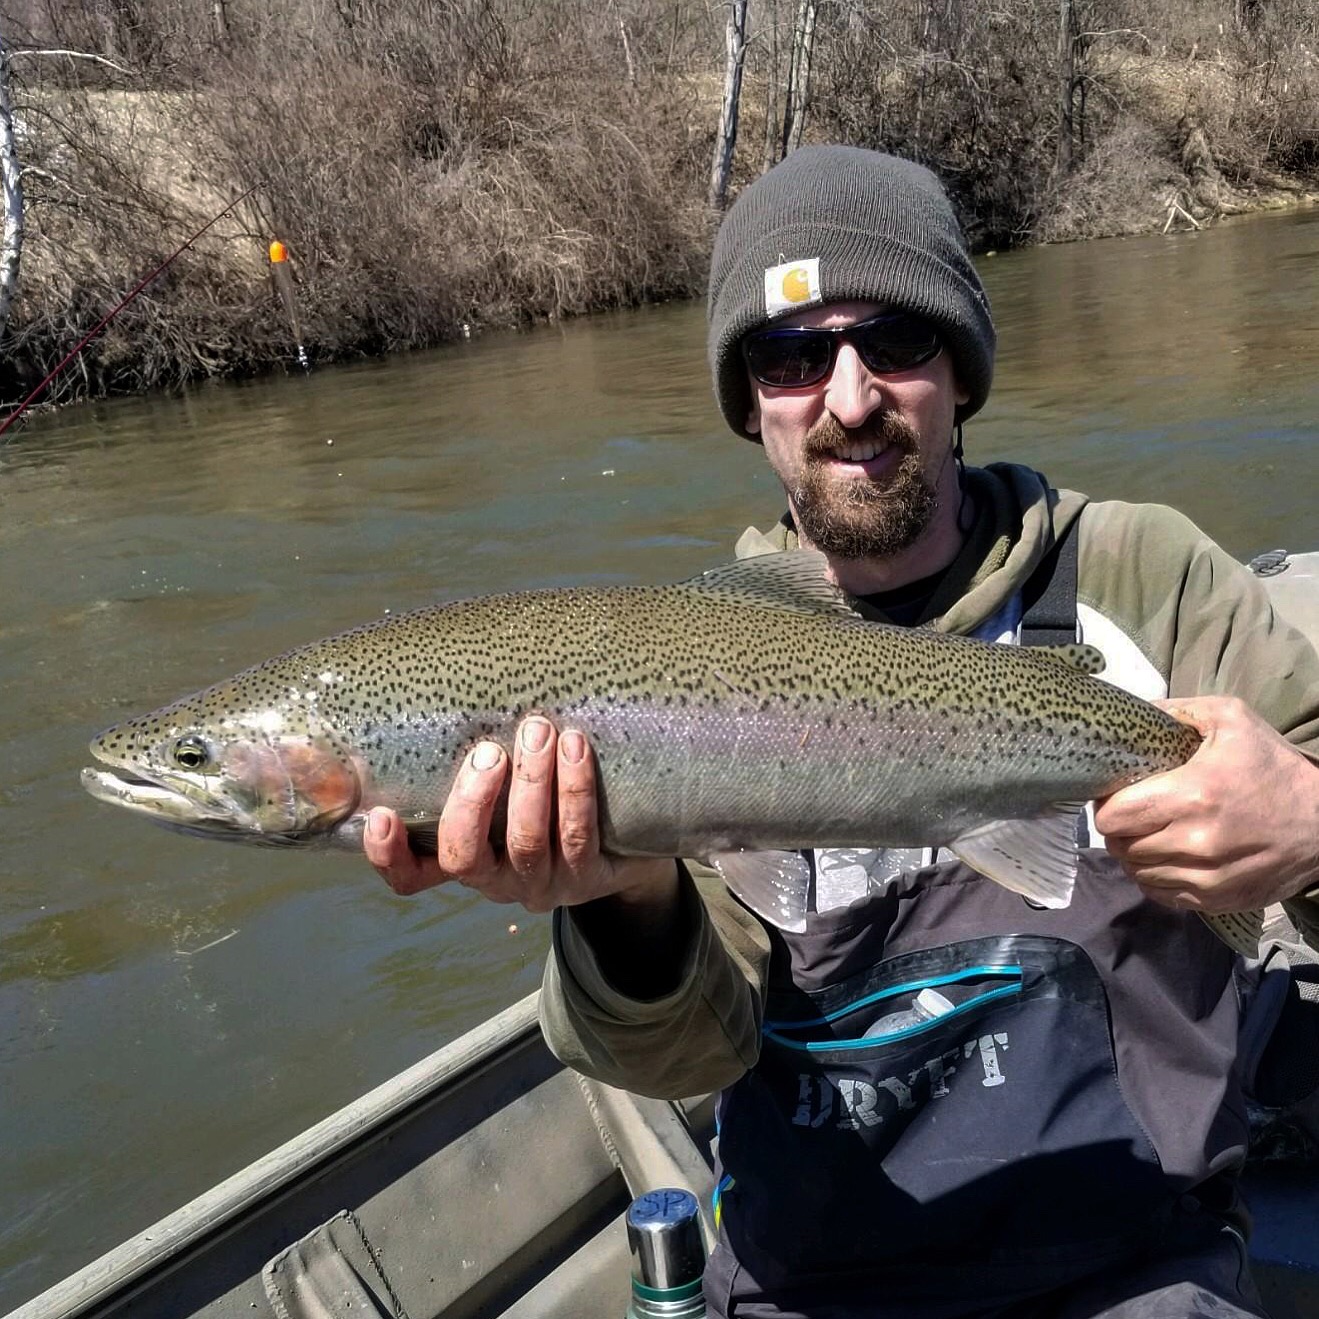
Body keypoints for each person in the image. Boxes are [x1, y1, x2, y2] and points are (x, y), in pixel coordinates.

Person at [364, 146, 1319, 1318]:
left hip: (1125, 1264)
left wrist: (1309, 825)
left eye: (897, 341)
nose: (850, 396)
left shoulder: (1147, 576)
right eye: (791, 356)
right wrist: (621, 898)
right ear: (749, 403)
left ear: (960, 370)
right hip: (810, 1285)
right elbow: (684, 1062)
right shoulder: (675, 676)